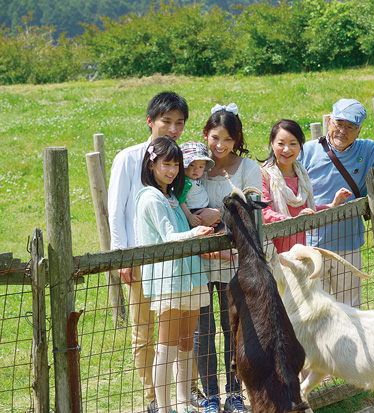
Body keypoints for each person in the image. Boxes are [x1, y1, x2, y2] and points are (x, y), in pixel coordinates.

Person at [108, 91, 202, 413]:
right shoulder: (128, 158)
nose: (174, 128)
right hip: (141, 257)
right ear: (150, 121)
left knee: (179, 328)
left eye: (180, 122)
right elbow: (116, 211)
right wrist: (122, 255)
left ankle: (187, 392)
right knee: (144, 330)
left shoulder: (182, 159)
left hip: (178, 264)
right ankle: (153, 397)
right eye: (167, 121)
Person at [299, 91, 374, 308]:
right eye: (339, 123)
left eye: (350, 127)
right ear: (330, 121)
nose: (342, 131)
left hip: (348, 244)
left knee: (349, 309)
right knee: (315, 309)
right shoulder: (308, 151)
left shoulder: (368, 150)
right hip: (312, 246)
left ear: (359, 129)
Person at [135, 137, 214, 413]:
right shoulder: (151, 197)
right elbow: (169, 237)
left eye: (176, 164)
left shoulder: (170, 196)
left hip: (190, 277)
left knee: (185, 344)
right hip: (169, 281)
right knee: (165, 346)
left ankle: (182, 405)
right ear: (151, 164)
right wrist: (195, 233)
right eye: (165, 163)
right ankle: (164, 407)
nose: (171, 170)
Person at [194, 103, 262, 413]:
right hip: (199, 261)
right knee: (203, 328)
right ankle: (210, 396)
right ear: (205, 135)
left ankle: (235, 392)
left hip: (234, 260)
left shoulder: (247, 168)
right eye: (215, 138)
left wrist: (219, 219)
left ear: (237, 140)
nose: (220, 146)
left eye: (228, 140)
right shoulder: (195, 166)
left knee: (233, 327)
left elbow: (252, 212)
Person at [260, 119, 351, 253]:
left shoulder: (302, 174)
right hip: (271, 253)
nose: (286, 149)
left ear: (300, 146)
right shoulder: (262, 174)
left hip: (299, 251)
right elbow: (264, 213)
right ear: (272, 144)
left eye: (293, 144)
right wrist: (294, 221)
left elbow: (307, 211)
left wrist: (332, 205)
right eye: (281, 143)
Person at [178, 141, 234, 262]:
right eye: (192, 165)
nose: (196, 170)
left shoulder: (197, 179)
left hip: (204, 208)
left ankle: (222, 249)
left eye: (200, 166)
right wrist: (189, 216)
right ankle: (215, 252)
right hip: (194, 212)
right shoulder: (185, 182)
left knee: (222, 229)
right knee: (205, 233)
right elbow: (181, 200)